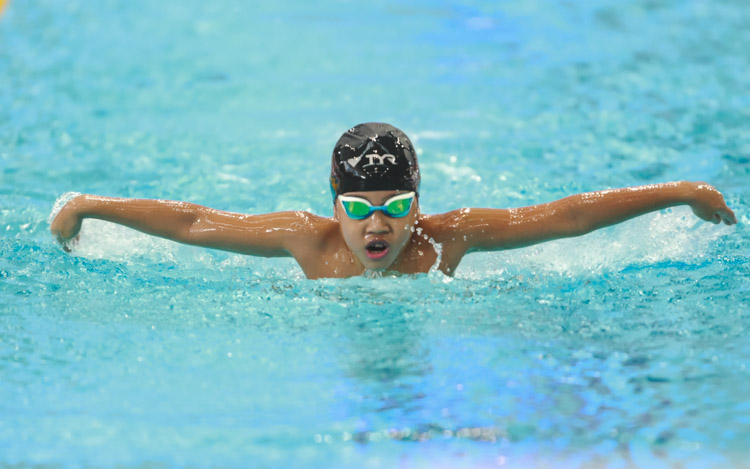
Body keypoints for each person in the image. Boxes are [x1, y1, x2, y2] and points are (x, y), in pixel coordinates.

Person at [50, 122, 737, 279]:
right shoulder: (304, 240)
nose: (377, 224)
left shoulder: (448, 238)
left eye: (395, 205)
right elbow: (196, 221)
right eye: (357, 207)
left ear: (419, 201)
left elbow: (568, 216)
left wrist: (680, 192)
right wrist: (89, 204)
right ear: (333, 202)